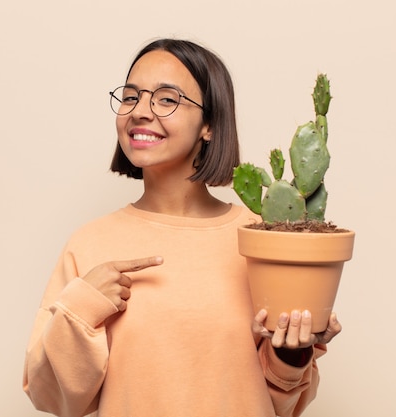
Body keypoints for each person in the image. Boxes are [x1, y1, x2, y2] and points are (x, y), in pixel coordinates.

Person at [23, 38, 342, 417]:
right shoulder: (90, 242)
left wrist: (292, 355)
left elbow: (282, 403)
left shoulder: (262, 238)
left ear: (209, 124)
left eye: (167, 99)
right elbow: (53, 398)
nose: (141, 111)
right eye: (130, 97)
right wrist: (83, 307)